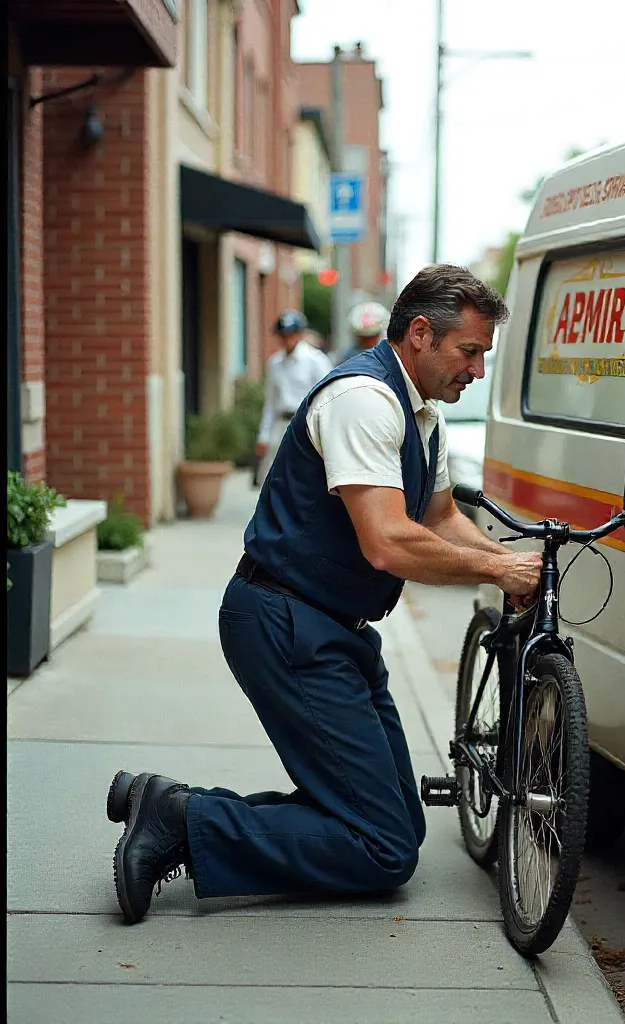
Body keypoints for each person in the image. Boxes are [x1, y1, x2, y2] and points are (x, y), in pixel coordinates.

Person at [107, 265, 543, 924]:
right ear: (420, 333)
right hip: (284, 621)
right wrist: (499, 574)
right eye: (470, 351)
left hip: (335, 628)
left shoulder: (423, 416)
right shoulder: (364, 400)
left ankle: (172, 809)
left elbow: (437, 518)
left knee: (397, 823)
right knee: (384, 848)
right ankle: (181, 817)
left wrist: (508, 561)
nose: (477, 370)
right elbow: (388, 543)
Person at [253, 310, 334, 487]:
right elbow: (271, 402)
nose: (287, 339)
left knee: (305, 478)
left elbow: (328, 398)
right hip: (281, 423)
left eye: (291, 334)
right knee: (274, 480)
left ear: (300, 334)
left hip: (306, 424)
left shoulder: (316, 360)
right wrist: (264, 435)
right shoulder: (275, 363)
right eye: (283, 335)